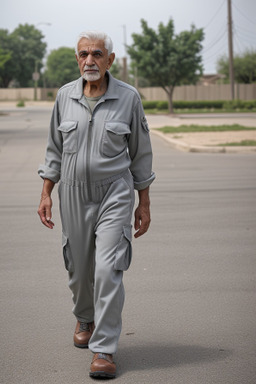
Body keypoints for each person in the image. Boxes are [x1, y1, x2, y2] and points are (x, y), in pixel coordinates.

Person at [37, 30, 155, 379]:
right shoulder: (64, 97)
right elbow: (54, 150)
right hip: (72, 192)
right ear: (77, 59)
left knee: (108, 268)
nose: (90, 61)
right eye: (83, 54)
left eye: (97, 54)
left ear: (110, 60)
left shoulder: (128, 98)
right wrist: (46, 192)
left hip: (114, 193)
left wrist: (143, 202)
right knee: (79, 268)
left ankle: (103, 348)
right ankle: (84, 316)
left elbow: (141, 155)